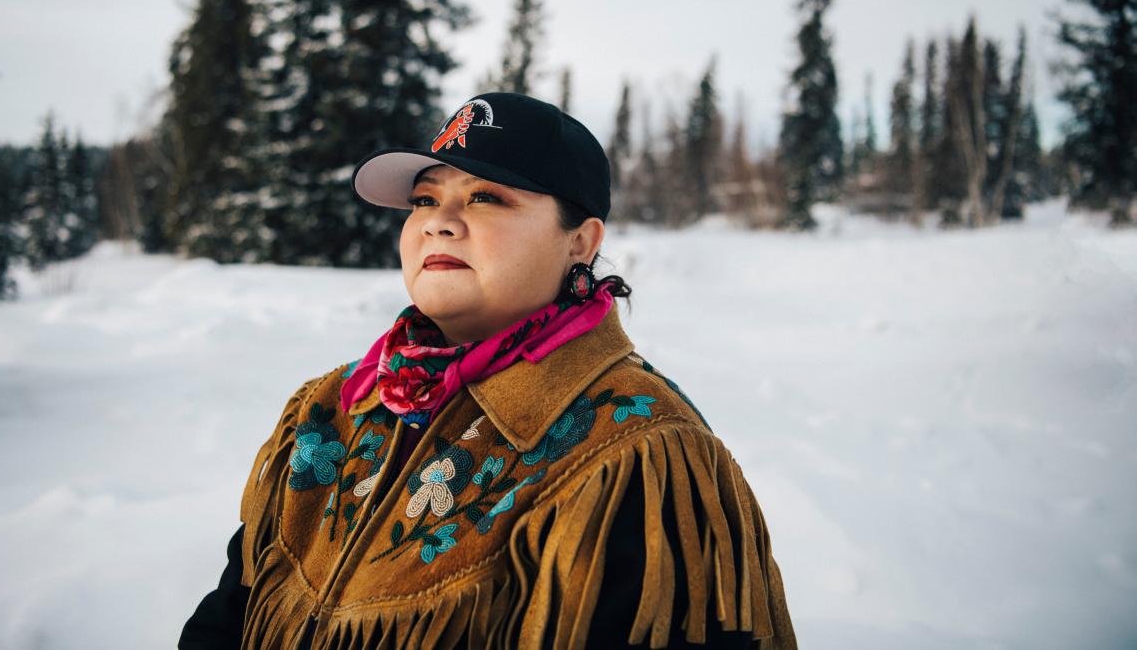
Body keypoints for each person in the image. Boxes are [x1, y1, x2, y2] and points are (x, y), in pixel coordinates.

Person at [180, 92, 797, 649]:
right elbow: (228, 618)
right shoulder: (335, 406)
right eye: (425, 199)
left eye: (486, 197)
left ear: (581, 241)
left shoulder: (639, 450)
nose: (438, 221)